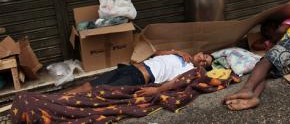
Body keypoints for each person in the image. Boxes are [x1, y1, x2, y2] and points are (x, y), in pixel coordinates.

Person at [223, 18, 290, 110]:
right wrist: (267, 40)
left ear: (276, 25)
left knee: (265, 61)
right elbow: (254, 45)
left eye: (267, 30)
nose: (266, 33)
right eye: (264, 32)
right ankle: (254, 98)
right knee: (263, 73)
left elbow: (280, 31)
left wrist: (272, 42)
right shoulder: (275, 42)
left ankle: (246, 89)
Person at [66, 50, 213, 96]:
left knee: (98, 92)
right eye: (204, 56)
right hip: (130, 68)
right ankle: (54, 98)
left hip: (138, 77)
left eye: (205, 63)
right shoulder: (180, 54)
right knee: (88, 85)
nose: (202, 60)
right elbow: (156, 53)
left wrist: (157, 89)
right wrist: (176, 51)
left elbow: (175, 82)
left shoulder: (190, 70)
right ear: (199, 52)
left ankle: (59, 105)